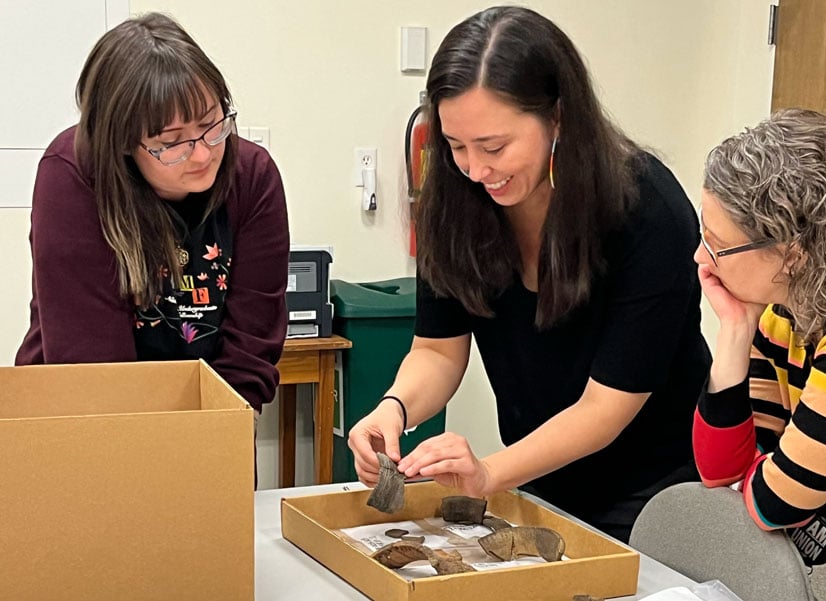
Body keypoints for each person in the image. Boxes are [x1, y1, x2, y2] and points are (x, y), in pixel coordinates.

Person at [348, 5, 711, 543]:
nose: (475, 169)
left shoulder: (645, 207)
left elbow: (606, 407)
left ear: (558, 117)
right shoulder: (455, 202)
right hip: (540, 478)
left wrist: (490, 473)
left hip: (659, 489)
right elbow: (438, 350)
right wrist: (393, 408)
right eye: (455, 146)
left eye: (494, 147)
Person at [16, 14, 289, 421]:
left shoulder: (252, 176)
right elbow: (92, 367)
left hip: (212, 421)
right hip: (83, 417)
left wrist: (223, 430)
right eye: (171, 142)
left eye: (211, 124)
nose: (201, 154)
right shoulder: (73, 175)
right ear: (123, 143)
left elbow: (250, 348)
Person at [693, 108, 826, 601]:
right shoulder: (787, 312)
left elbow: (773, 504)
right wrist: (735, 333)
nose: (701, 258)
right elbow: (721, 475)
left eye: (717, 246)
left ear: (793, 252)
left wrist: (775, 475)